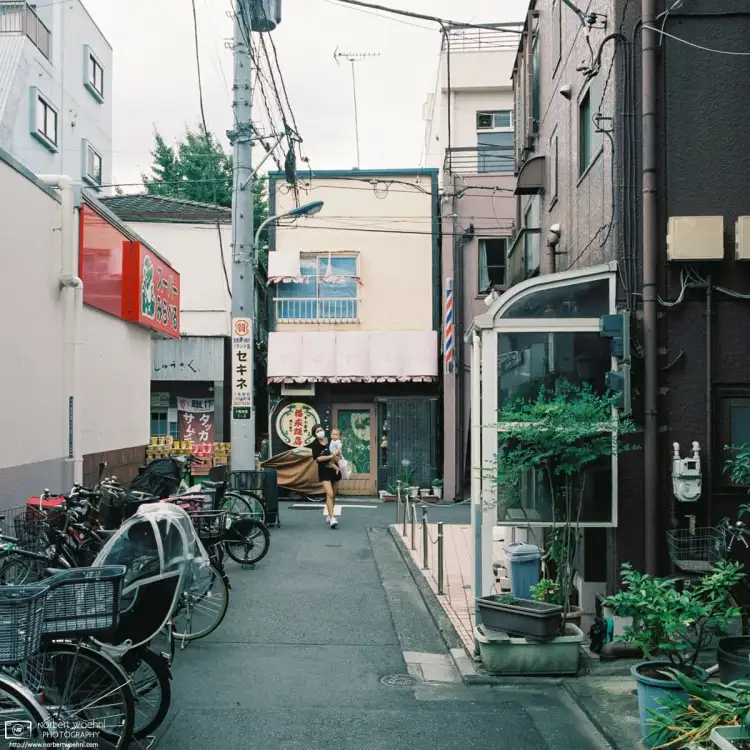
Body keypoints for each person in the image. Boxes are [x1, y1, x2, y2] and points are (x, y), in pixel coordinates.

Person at [309, 424, 340, 529]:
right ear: (315, 434)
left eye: (321, 429)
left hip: (334, 469)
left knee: (334, 495)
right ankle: (332, 519)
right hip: (324, 471)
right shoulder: (315, 444)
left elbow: (338, 450)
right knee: (330, 494)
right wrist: (331, 456)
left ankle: (329, 514)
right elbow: (318, 459)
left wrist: (338, 456)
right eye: (317, 431)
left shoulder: (330, 440)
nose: (320, 432)